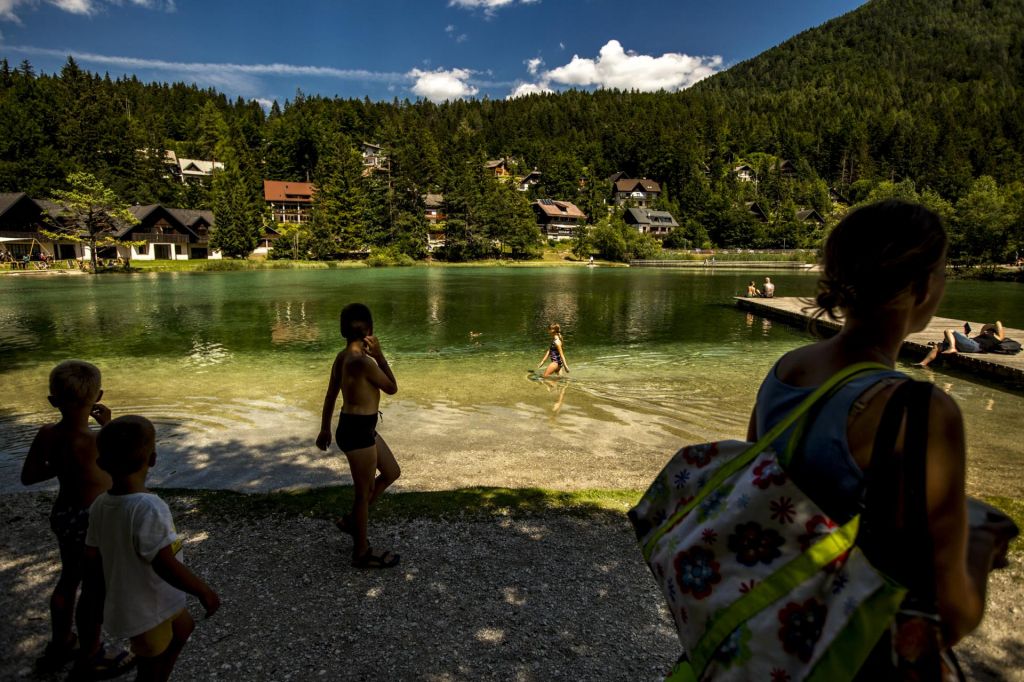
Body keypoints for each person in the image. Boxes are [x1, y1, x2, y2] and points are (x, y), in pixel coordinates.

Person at [747, 200, 1008, 670]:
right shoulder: (920, 410)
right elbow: (949, 614)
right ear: (923, 286)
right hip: (852, 658)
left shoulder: (788, 369)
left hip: (772, 639)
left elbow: (756, 498)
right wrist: (980, 548)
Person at [20, 360, 134, 677]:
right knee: (94, 588)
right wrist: (109, 426)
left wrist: (60, 464)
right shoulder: (99, 441)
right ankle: (92, 652)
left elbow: (28, 477)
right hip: (94, 522)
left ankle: (61, 642)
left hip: (65, 515)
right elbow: (124, 472)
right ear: (99, 396)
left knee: (68, 580)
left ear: (52, 401)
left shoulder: (47, 434)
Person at [85, 415, 220, 682]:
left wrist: (96, 598)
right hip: (148, 607)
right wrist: (203, 591)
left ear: (101, 464)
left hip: (151, 598)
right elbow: (164, 563)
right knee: (151, 665)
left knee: (184, 628)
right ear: (154, 459)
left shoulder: (101, 504)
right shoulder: (149, 508)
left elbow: (92, 555)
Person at [316, 303, 402, 569]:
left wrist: (324, 428)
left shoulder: (342, 358)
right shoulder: (363, 362)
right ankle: (361, 551)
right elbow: (392, 388)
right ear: (370, 331)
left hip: (356, 427)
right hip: (357, 432)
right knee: (362, 494)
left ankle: (353, 521)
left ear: (343, 331)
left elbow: (331, 395)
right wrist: (380, 355)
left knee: (391, 472)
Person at [915, 321, 1006, 367]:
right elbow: (984, 327)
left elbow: (998, 323)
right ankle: (923, 364)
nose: (987, 331)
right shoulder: (983, 335)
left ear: (994, 332)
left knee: (949, 331)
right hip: (970, 345)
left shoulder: (997, 338)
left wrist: (993, 327)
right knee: (937, 347)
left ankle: (952, 347)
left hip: (975, 346)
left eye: (989, 331)